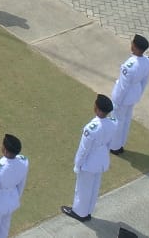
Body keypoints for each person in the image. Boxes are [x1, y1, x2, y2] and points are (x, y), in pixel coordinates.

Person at [61, 94, 116, 222]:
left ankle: (80, 213)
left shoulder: (91, 129)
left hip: (89, 163)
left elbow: (84, 150)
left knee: (83, 188)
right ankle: (88, 211)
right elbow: (109, 143)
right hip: (102, 160)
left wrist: (77, 164)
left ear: (97, 109)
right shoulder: (113, 123)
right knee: (94, 188)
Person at [109, 34, 149, 155]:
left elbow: (123, 87)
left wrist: (117, 102)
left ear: (135, 47)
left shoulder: (129, 66)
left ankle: (115, 146)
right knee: (126, 120)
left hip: (123, 98)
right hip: (134, 94)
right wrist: (138, 95)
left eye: (132, 43)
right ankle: (121, 143)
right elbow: (145, 81)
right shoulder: (148, 61)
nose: (131, 45)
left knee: (117, 121)